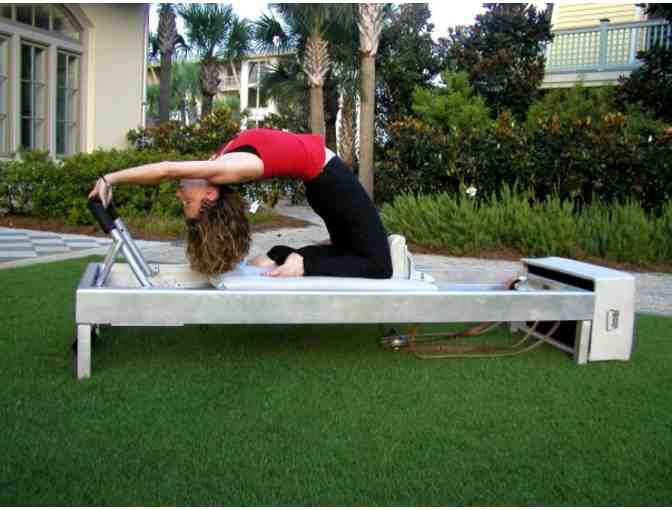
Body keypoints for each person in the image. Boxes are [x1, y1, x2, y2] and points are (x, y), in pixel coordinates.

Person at [88, 128, 393, 279]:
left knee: (352, 250)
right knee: (380, 266)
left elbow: (166, 171)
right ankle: (302, 262)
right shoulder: (225, 169)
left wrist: (109, 179)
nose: (179, 195)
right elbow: (167, 170)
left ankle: (281, 255)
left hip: (326, 184)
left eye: (184, 200)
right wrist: (109, 179)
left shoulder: (219, 164)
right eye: (188, 201)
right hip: (332, 183)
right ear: (209, 195)